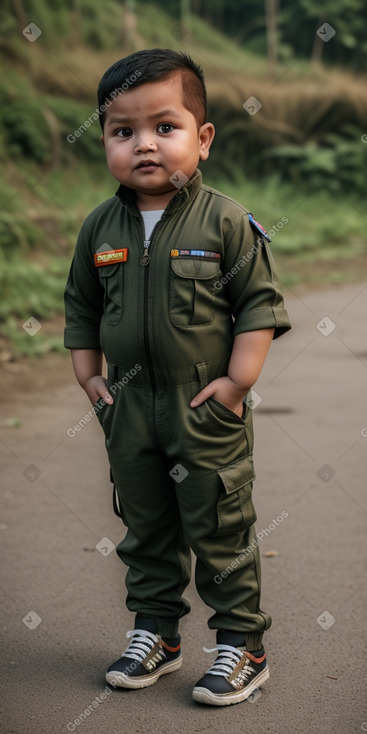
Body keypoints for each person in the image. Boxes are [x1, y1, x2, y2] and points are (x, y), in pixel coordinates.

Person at [64, 48, 291, 707]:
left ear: (202, 138)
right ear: (104, 138)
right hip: (129, 409)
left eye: (164, 127)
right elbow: (81, 304)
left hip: (203, 408)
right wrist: (88, 376)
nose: (143, 145)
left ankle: (241, 645)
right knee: (145, 526)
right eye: (121, 131)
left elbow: (256, 305)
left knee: (216, 525)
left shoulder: (224, 222)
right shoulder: (99, 227)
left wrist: (236, 385)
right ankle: (156, 634)